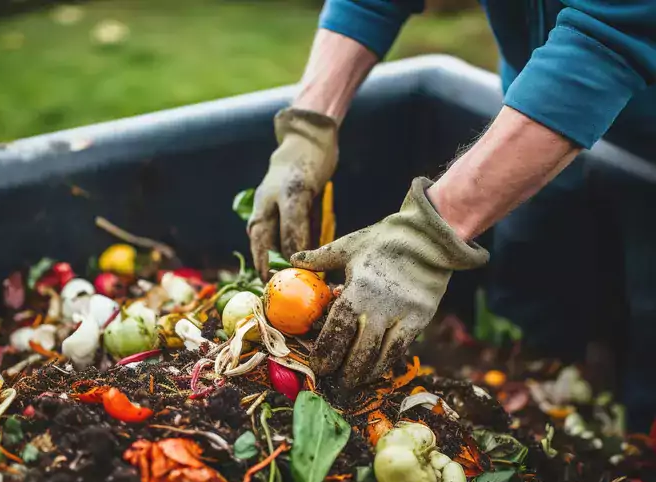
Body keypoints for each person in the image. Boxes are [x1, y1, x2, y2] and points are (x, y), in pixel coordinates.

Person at [248, 0, 656, 430]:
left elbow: (610, 35)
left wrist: (427, 235)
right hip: (536, 128)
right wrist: (309, 125)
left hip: (612, 119)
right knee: (528, 316)